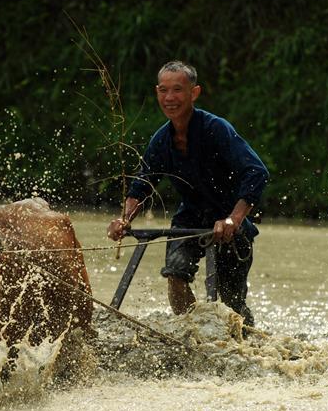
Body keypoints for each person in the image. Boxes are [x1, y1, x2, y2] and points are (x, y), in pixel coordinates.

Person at [107, 60, 269, 326]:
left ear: (194, 93)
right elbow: (143, 185)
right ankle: (194, 334)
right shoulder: (161, 140)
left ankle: (246, 339)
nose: (169, 98)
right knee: (175, 275)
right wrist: (125, 219)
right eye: (163, 90)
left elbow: (256, 172)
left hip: (230, 220)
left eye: (178, 90)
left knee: (232, 303)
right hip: (190, 219)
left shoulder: (216, 129)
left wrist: (233, 219)